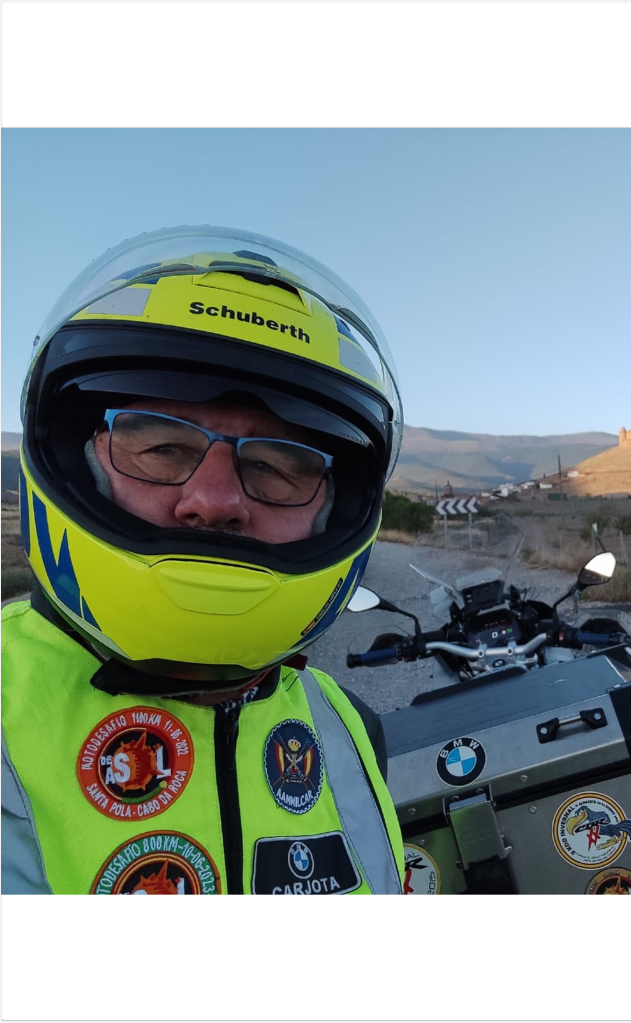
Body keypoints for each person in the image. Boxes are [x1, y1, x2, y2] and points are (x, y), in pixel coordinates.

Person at [1, 226, 406, 895]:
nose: (214, 501)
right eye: (162, 448)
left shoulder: (346, 725)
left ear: (335, 509)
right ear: (76, 462)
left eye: (276, 466)